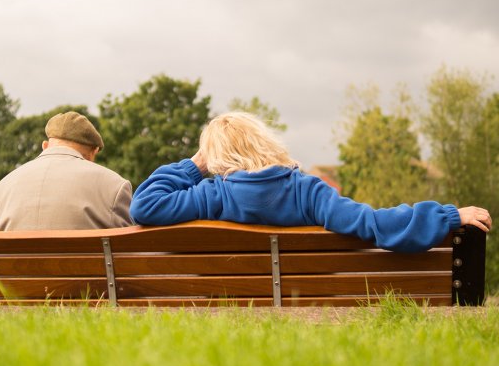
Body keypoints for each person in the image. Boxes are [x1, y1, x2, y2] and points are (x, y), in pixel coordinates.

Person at [130, 112, 492, 252]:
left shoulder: (211, 194)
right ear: (264, 142)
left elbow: (144, 205)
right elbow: (372, 223)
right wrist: (446, 216)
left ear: (216, 157)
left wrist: (195, 165)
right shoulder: (307, 191)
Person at [0, 111, 133, 230]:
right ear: (93, 152)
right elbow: (127, 252)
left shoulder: (0, 189)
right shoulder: (115, 186)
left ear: (45, 146)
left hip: (14, 266)